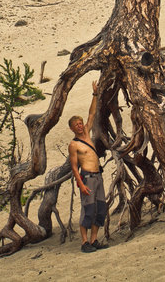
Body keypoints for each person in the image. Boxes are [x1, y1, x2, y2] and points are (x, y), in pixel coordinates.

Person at [68, 80, 108, 253]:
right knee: (87, 211)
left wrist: (95, 94)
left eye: (80, 123)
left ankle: (94, 240)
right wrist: (81, 184)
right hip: (87, 179)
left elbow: (92, 113)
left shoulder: (87, 135)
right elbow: (74, 167)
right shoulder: (74, 145)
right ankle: (84, 243)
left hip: (98, 177)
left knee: (100, 209)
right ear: (72, 129)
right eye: (76, 125)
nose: (79, 126)